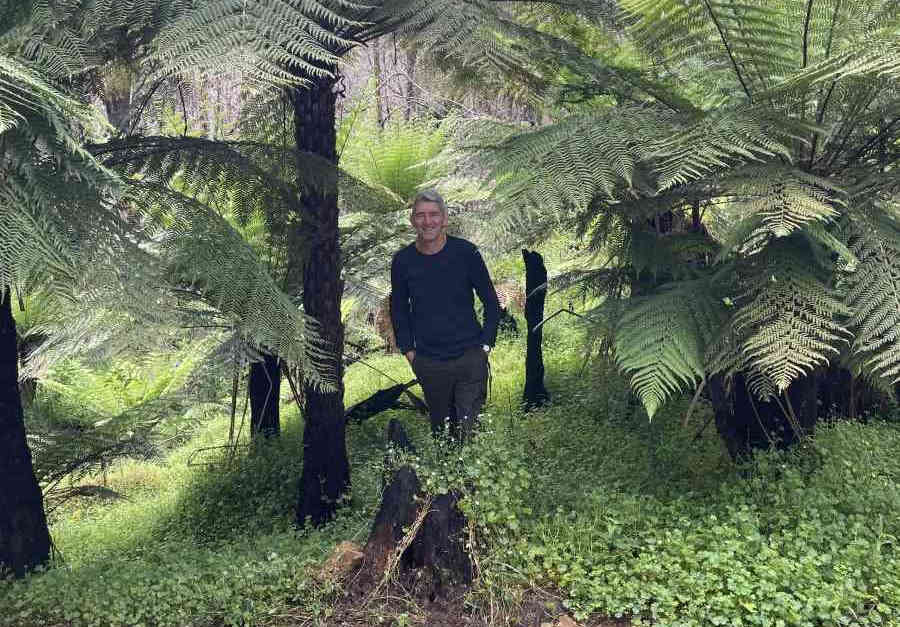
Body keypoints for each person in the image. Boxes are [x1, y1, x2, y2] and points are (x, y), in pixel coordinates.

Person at [390, 189, 500, 440]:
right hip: (429, 363)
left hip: (470, 358)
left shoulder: (466, 253)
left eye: (433, 215)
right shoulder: (403, 261)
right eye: (420, 215)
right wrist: (410, 353)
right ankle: (449, 478)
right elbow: (398, 309)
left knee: (467, 433)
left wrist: (485, 345)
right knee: (442, 436)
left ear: (444, 218)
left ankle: (469, 479)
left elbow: (491, 302)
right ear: (412, 220)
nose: (427, 222)